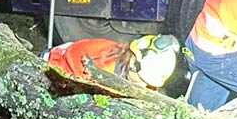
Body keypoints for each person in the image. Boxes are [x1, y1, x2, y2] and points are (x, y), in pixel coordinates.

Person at [46, 34, 180, 89]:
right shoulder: (99, 69)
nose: (143, 86)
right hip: (51, 69)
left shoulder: (123, 57)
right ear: (134, 61)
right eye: (142, 80)